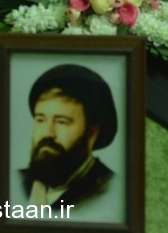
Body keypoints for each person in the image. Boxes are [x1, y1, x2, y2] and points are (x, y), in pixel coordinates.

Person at [19, 65, 117, 213]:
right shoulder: (13, 182)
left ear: (91, 134)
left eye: (62, 122)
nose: (48, 133)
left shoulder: (111, 193)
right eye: (40, 120)